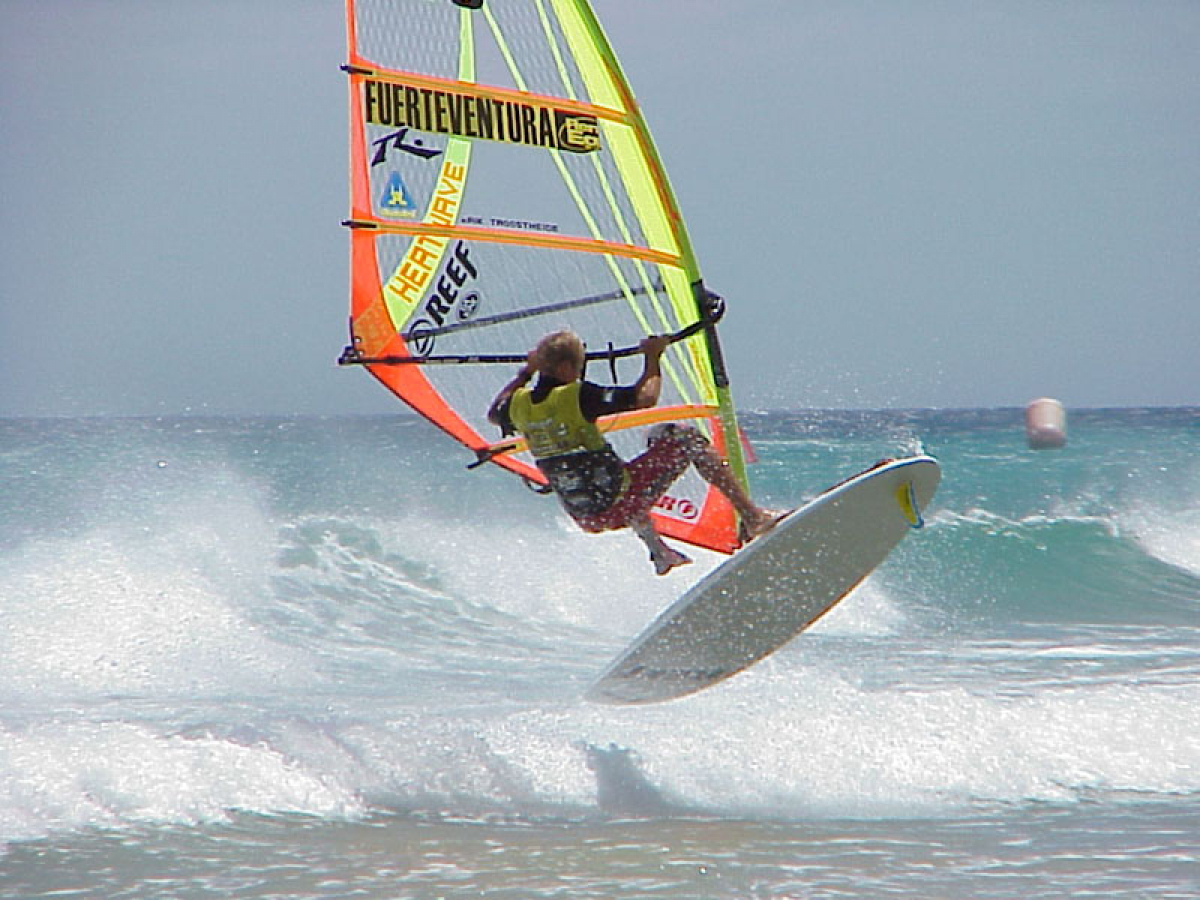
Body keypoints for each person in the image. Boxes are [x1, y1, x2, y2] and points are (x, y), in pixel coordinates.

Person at [487, 329, 779, 575]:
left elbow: (493, 412)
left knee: (652, 442)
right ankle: (753, 517)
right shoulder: (576, 394)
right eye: (578, 366)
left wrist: (526, 372)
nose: (580, 372)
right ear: (565, 369)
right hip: (619, 500)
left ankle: (658, 550)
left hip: (584, 515)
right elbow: (645, 398)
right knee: (687, 439)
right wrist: (653, 357)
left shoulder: (517, 405)